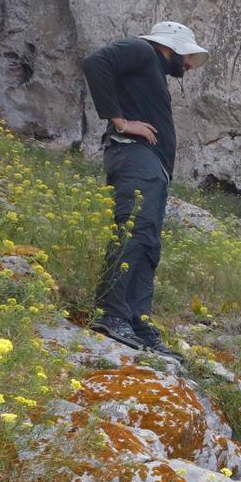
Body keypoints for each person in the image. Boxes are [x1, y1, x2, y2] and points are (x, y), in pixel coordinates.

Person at [80, 21, 210, 355]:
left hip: (150, 167)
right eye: (187, 56)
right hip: (135, 158)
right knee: (133, 234)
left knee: (148, 243)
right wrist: (120, 121)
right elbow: (95, 63)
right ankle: (111, 314)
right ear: (172, 46)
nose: (190, 65)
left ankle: (137, 321)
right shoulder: (141, 50)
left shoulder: (150, 65)